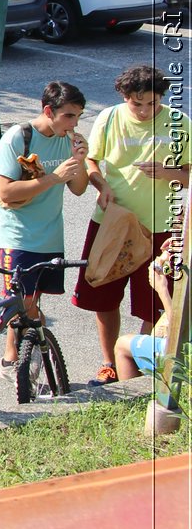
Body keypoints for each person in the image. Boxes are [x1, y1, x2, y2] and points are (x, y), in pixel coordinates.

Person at [75, 65, 187, 384]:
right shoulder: (109, 117)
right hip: (113, 224)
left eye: (152, 104)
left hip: (161, 229)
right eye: (136, 104)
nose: (144, 111)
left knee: (154, 303)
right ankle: (110, 362)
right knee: (103, 296)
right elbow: (92, 160)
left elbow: (189, 173)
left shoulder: (180, 124)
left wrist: (168, 173)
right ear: (125, 97)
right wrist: (101, 185)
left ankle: (138, 365)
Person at [0, 81, 91, 377]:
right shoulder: (18, 138)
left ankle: (19, 356)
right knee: (23, 301)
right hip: (17, 234)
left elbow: (79, 189)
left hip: (50, 234)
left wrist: (81, 162)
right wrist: (53, 178)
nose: (74, 124)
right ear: (49, 111)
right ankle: (13, 359)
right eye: (69, 116)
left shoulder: (67, 140)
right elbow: (6, 194)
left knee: (32, 299)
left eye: (79, 116)